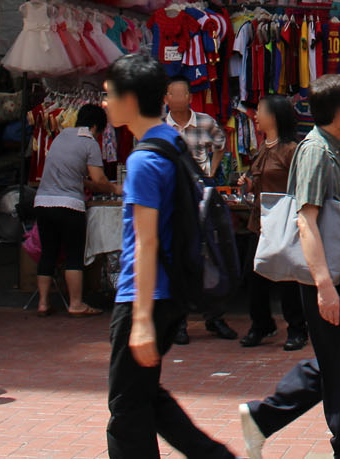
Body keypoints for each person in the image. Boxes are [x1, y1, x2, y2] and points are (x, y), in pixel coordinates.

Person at [102, 52, 235, 459]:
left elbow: (144, 243)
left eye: (108, 95)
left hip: (143, 296)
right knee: (144, 396)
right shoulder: (170, 142)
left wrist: (140, 320)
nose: (104, 103)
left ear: (128, 99)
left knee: (126, 410)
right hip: (170, 290)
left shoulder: (144, 159)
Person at [241, 74, 340, 459]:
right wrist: (324, 285)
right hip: (333, 273)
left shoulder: (332, 149)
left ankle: (264, 417)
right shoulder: (316, 151)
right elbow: (306, 220)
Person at [164, 75, 236, 342]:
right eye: (175, 94)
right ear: (167, 98)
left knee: (211, 256)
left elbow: (220, 145)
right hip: (173, 200)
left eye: (185, 94)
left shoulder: (205, 121)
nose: (181, 99)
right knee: (180, 259)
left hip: (201, 196)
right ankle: (179, 322)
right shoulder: (161, 127)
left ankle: (214, 317)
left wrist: (211, 173)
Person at [32, 102, 117, 317]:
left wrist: (87, 183)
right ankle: (76, 303)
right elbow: (98, 180)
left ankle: (42, 302)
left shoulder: (62, 135)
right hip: (69, 205)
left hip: (42, 202)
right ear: (97, 127)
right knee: (73, 254)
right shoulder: (89, 142)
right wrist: (115, 188)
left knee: (48, 252)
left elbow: (72, 174)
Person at [241, 95, 308, 351]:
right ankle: (261, 324)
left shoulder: (291, 149)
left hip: (284, 222)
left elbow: (301, 185)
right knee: (254, 275)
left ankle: (297, 328)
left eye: (260, 111)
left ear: (274, 116)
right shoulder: (263, 147)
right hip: (259, 223)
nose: (256, 116)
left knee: (288, 277)